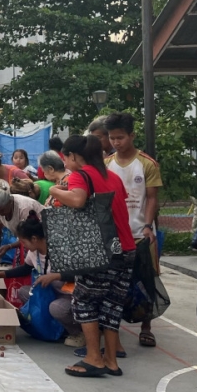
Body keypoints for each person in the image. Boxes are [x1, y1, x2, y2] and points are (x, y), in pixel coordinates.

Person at [48, 135, 136, 378]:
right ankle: (111, 361)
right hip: (126, 249)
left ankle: (93, 358)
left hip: (98, 252)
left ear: (75, 157)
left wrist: (55, 188)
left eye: (66, 157)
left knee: (85, 301)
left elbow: (77, 200)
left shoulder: (80, 175)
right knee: (112, 304)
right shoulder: (114, 177)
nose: (65, 162)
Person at [104, 112, 164, 349]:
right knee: (115, 282)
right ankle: (113, 326)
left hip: (141, 233)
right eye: (112, 138)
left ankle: (146, 327)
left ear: (132, 135)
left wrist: (148, 226)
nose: (116, 142)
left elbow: (152, 199)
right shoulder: (107, 164)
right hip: (115, 235)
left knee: (146, 280)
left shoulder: (147, 163)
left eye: (120, 137)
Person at [0, 218, 85, 347]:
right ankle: (51, 326)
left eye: (23, 241)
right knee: (24, 292)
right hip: (50, 291)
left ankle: (78, 332)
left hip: (69, 293)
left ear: (34, 239)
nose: (22, 245)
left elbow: (80, 274)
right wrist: (0, 275)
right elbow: (25, 268)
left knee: (56, 308)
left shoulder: (60, 250)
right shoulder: (34, 252)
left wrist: (54, 276)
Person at [0, 188, 45, 259]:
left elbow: (29, 235)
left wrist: (10, 246)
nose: (0, 214)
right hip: (27, 240)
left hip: (40, 238)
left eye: (2, 210)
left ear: (10, 202)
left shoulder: (24, 208)